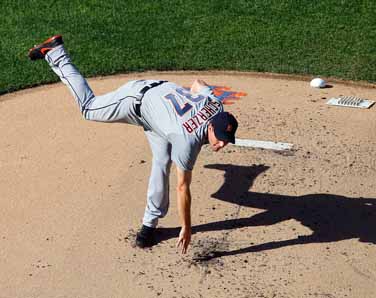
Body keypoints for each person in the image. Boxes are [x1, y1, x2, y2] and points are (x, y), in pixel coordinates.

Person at [28, 35, 238, 254]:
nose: (222, 144)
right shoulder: (188, 140)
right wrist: (187, 227)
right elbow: (183, 187)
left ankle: (148, 226)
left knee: (162, 159)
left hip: (160, 97)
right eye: (221, 138)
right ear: (211, 128)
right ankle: (56, 53)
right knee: (89, 108)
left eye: (226, 140)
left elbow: (197, 84)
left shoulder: (216, 106)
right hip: (134, 99)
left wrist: (175, 111)